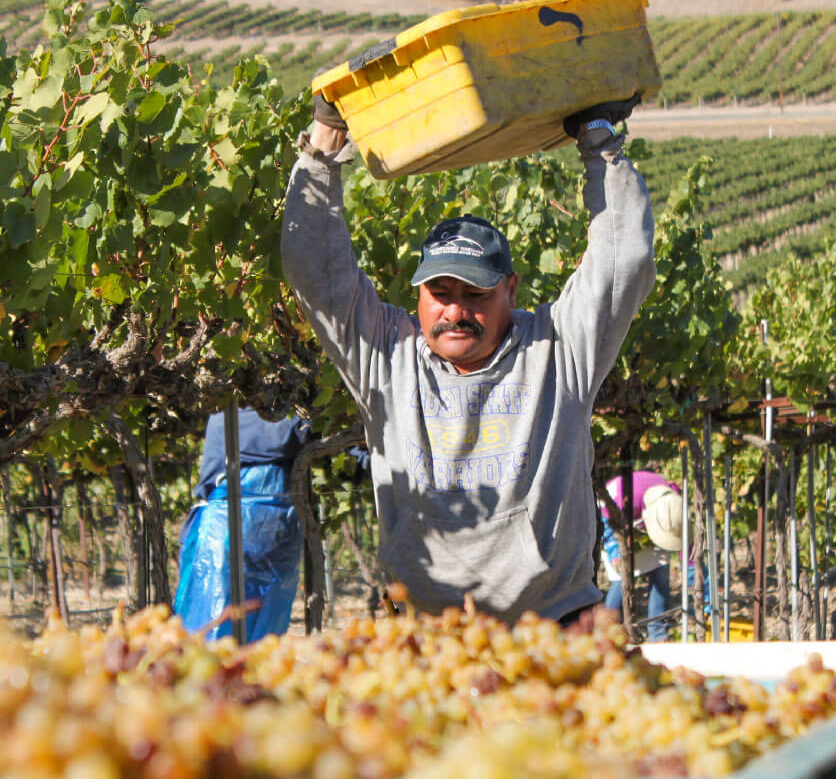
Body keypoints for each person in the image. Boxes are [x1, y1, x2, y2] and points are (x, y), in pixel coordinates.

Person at [280, 92, 656, 626]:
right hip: (423, 639)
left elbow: (626, 261)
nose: (455, 311)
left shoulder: (558, 349)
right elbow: (314, 270)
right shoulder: (385, 358)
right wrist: (322, 146)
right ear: (419, 294)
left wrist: (601, 144)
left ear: (511, 291)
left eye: (475, 294)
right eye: (440, 291)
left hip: (551, 632)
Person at [174, 409, 310, 642]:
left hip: (252, 525)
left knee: (242, 624)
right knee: (227, 622)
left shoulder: (227, 415)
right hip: (232, 527)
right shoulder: (232, 416)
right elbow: (289, 437)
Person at [599, 471, 683, 641]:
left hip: (644, 519)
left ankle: (658, 634)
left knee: (660, 570)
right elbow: (606, 527)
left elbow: (678, 529)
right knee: (621, 579)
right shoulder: (621, 502)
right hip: (615, 524)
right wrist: (615, 552)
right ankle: (606, 634)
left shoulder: (671, 500)